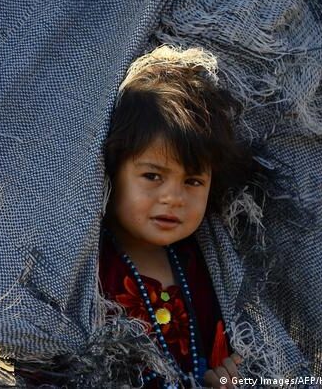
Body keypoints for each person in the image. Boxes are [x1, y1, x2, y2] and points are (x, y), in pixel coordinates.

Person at [99, 46, 250, 388]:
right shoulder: (82, 272)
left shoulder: (208, 267)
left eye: (193, 181)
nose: (173, 197)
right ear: (111, 171)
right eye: (153, 176)